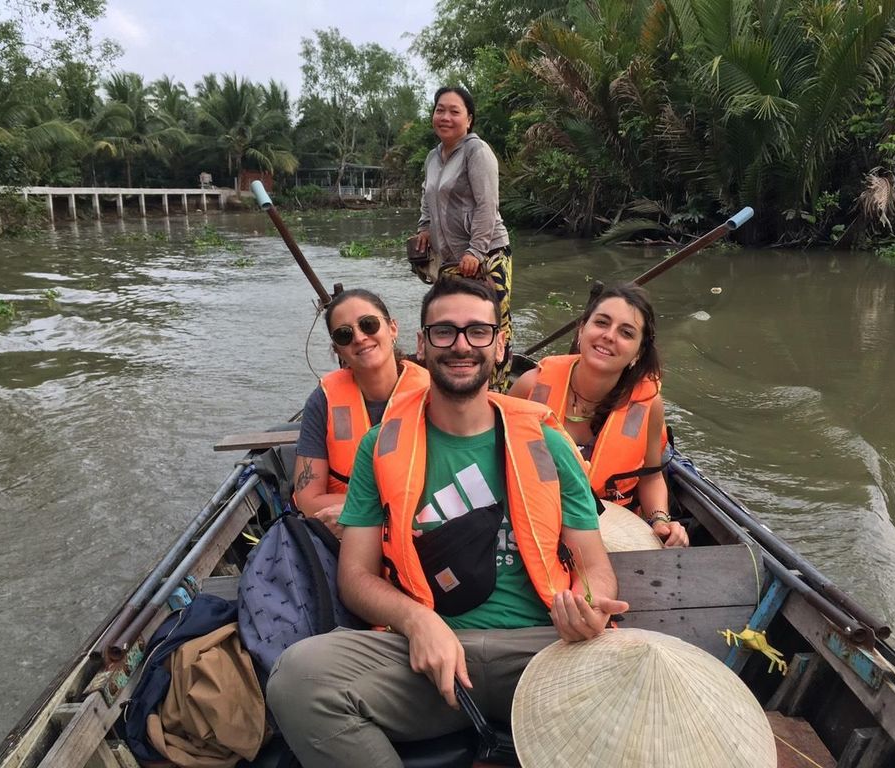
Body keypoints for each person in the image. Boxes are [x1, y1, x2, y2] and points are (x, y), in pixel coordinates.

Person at [266, 277, 628, 767]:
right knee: (298, 679)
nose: (461, 345)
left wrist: (587, 606)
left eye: (478, 331)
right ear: (420, 344)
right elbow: (354, 578)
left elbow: (593, 564)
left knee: (646, 672)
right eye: (444, 332)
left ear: (500, 346)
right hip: (424, 658)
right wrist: (417, 622)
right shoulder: (382, 447)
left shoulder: (548, 441)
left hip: (544, 650)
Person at [509, 284, 689, 547]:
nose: (609, 336)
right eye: (602, 323)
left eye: (626, 333)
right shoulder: (531, 386)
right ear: (582, 329)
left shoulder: (648, 406)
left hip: (612, 532)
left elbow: (650, 476)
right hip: (533, 521)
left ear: (637, 353)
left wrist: (660, 520)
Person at [292, 289, 429, 537]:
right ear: (337, 350)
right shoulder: (322, 401)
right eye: (345, 335)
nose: (359, 337)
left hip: (417, 531)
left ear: (392, 328)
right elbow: (308, 500)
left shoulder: (432, 394)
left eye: (369, 324)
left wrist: (366, 512)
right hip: (344, 537)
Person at [414, 86, 513, 392]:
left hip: (487, 254)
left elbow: (487, 204)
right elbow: (427, 197)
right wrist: (424, 227)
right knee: (448, 322)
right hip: (450, 258)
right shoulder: (433, 157)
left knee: (491, 325)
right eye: (439, 110)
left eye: (454, 111)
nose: (445, 117)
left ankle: (496, 391)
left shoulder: (477, 151)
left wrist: (476, 250)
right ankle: (451, 387)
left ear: (469, 119)